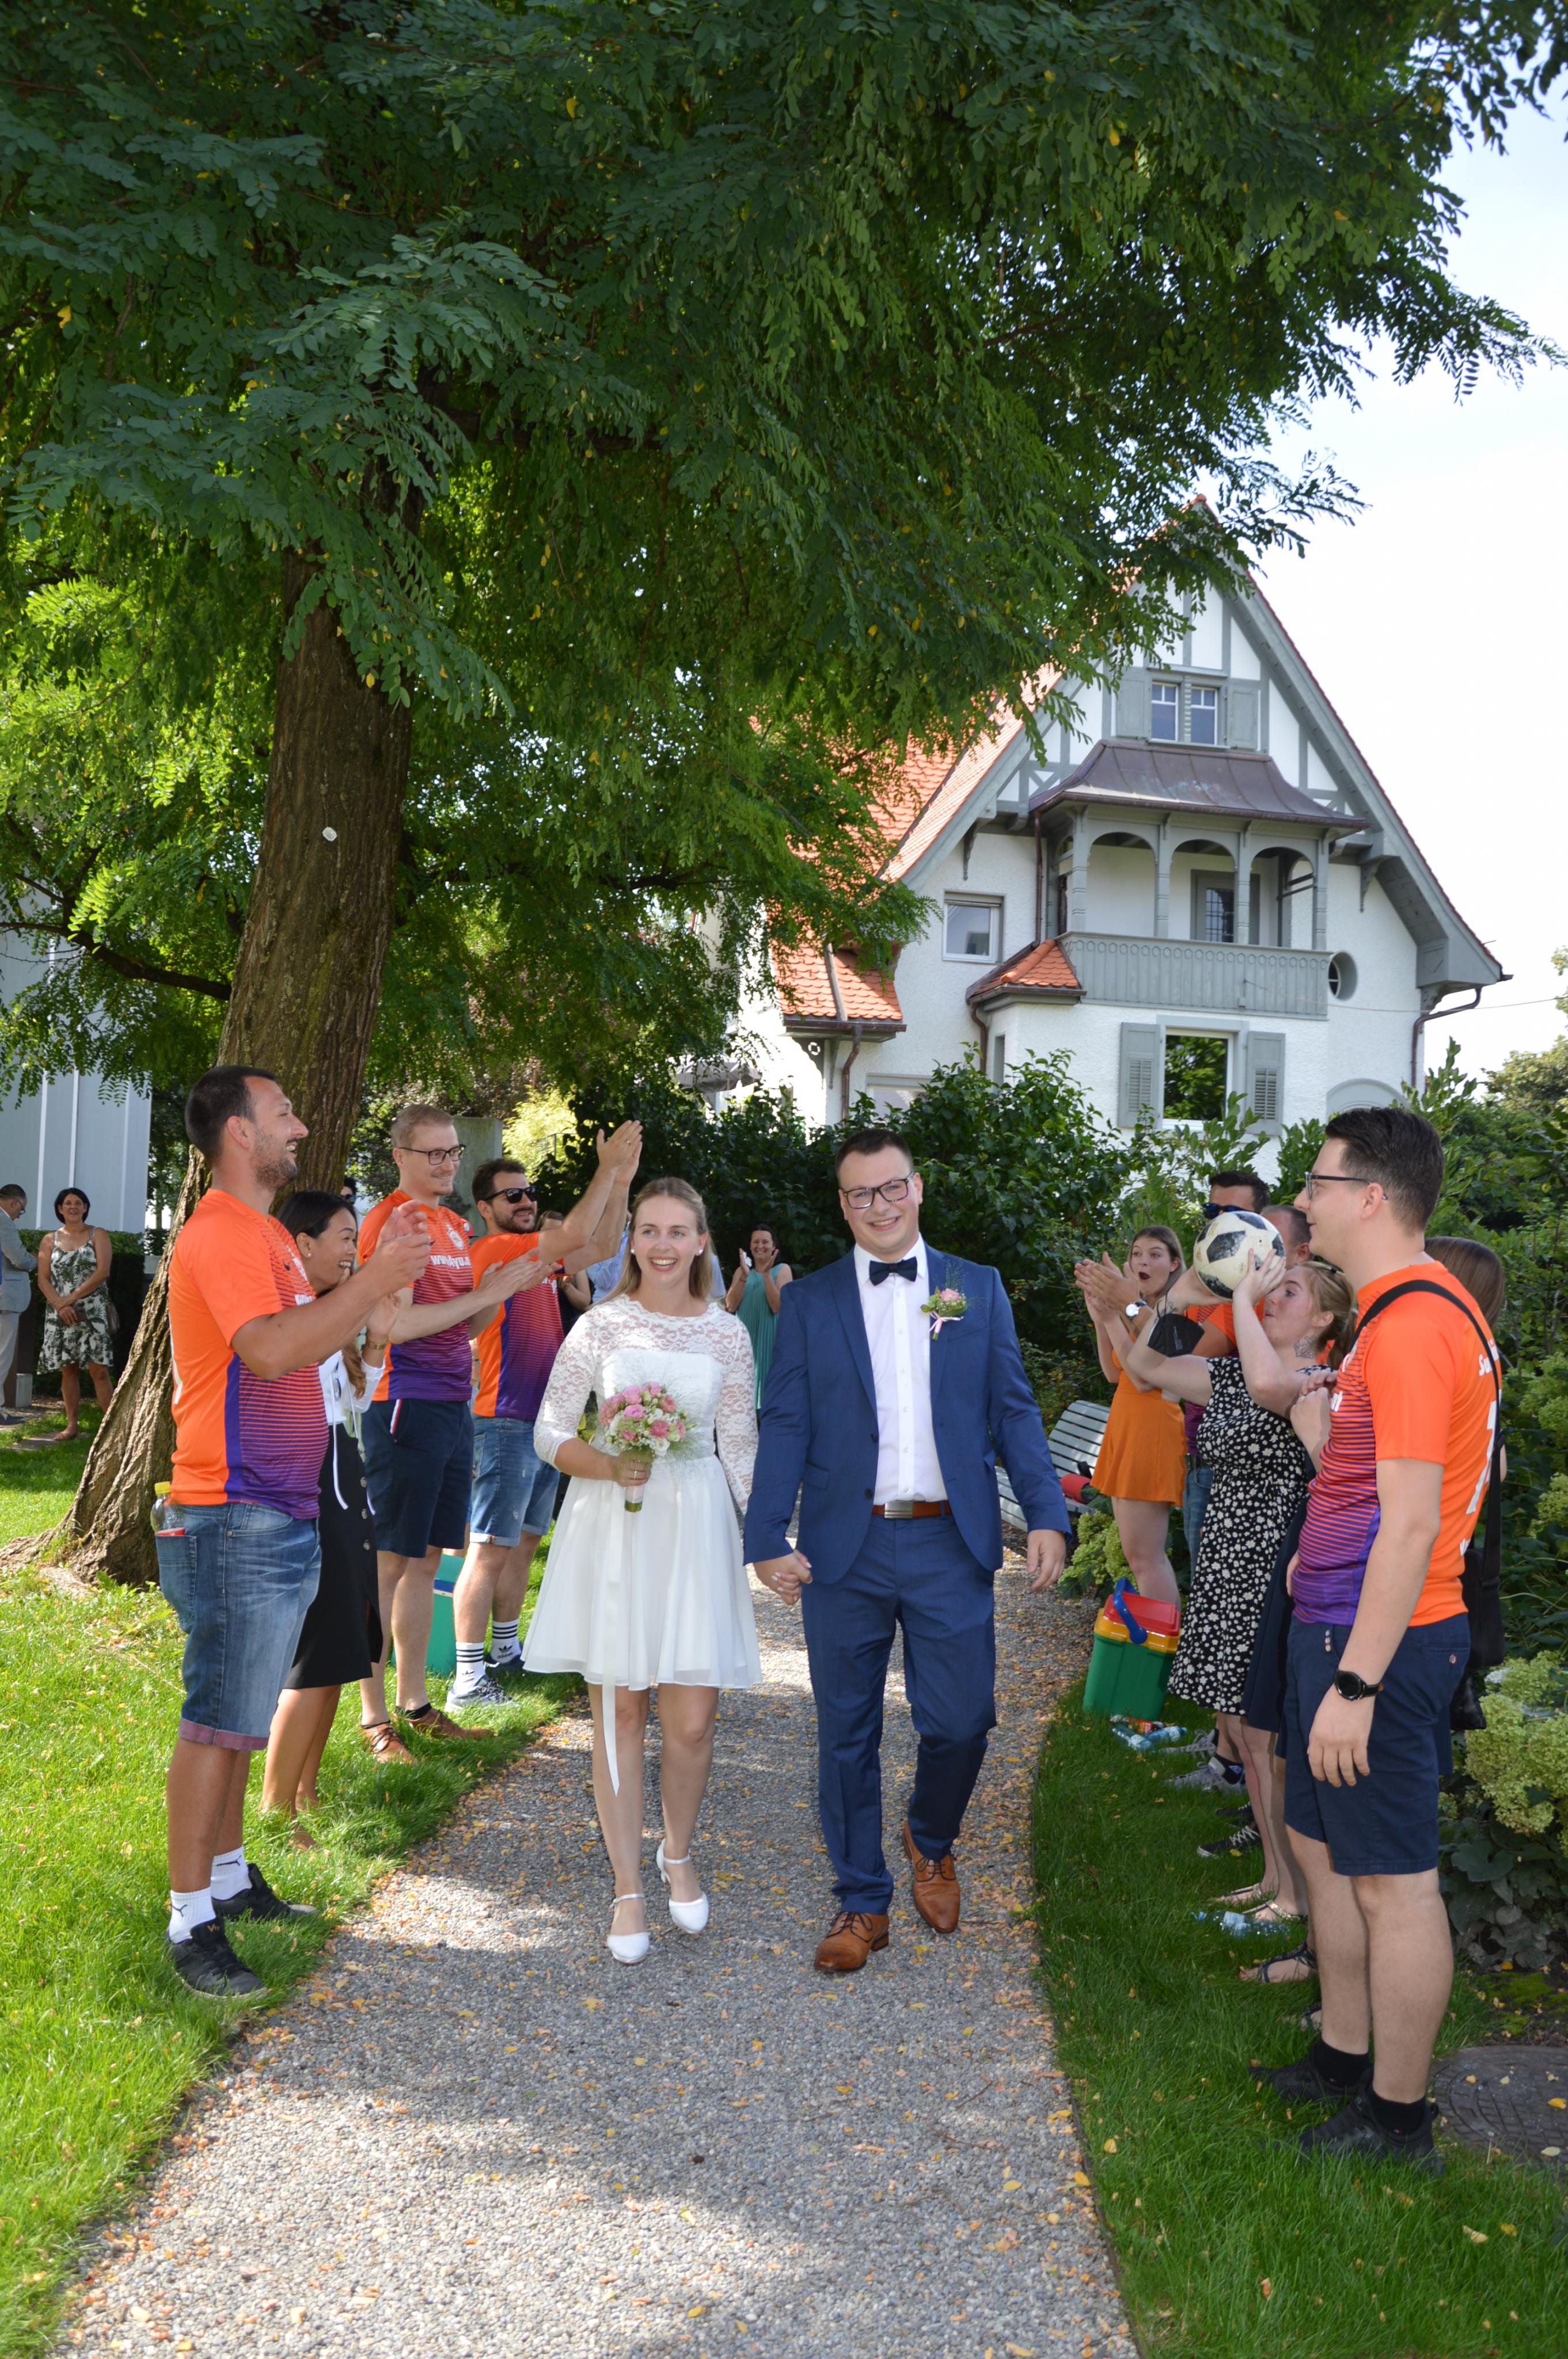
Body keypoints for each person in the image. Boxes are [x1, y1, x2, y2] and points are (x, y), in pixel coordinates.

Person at [745, 1128, 1069, 1973]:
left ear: (916, 1188)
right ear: (842, 1204)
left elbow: (1012, 1409)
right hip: (841, 1549)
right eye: (860, 1193)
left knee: (961, 1722)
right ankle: (861, 1900)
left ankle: (930, 1836)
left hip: (947, 1541)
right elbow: (785, 1421)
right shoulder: (810, 1301)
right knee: (843, 1731)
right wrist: (764, 1535)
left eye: (891, 1187)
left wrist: (1045, 1512)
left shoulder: (973, 1287)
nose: (878, 1205)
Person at [1256, 1106, 1498, 2172]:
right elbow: (1364, 1483)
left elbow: (1409, 1526)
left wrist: (1354, 1684)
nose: (1300, 1201)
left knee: (1392, 1883)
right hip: (1340, 1623)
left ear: (1366, 1196)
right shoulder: (1397, 1312)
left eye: (1314, 1183)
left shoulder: (1411, 1327)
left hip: (1378, 1647)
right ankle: (1341, 2054)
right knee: (1332, 1859)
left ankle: (1398, 2121)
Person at [158, 1066, 430, 1996]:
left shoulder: (270, 1235)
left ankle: (229, 1879)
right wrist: (377, 1278)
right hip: (231, 1508)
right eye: (283, 1114)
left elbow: (313, 1348)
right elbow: (270, 1350)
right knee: (216, 1723)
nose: (301, 1127)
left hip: (277, 1507)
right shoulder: (222, 1233)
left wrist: (372, 1312)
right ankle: (189, 1920)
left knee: (237, 1718)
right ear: (239, 1132)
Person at [527, 1177, 761, 1963]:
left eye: (677, 1231)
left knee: (691, 1721)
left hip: (694, 1526)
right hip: (615, 1525)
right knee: (620, 1712)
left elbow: (741, 1447)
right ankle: (627, 1886)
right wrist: (605, 1462)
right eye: (649, 1230)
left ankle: (678, 1852)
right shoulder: (600, 1324)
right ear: (633, 1240)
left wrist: (766, 1540)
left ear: (701, 1242)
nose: (662, 1245)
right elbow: (548, 1429)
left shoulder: (728, 1335)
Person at [1121, 1256, 1356, 1931]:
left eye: (1288, 1292)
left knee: (1263, 1736)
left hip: (1275, 1566)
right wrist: (1180, 1296)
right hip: (1227, 1562)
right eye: (1269, 1291)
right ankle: (1275, 1879)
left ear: (1323, 1318)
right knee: (1243, 1733)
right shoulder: (1229, 1375)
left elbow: (1266, 1385)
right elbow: (1144, 1367)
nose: (1269, 1299)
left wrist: (1243, 1301)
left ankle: (1293, 1895)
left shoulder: (1317, 1383)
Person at [354, 1105, 542, 1757]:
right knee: (388, 1563)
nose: (445, 1164)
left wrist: (497, 1289)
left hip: (452, 1403)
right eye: (431, 1153)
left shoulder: (455, 1225)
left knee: (427, 1560)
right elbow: (395, 1326)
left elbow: (464, 1326)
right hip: (403, 1402)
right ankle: (373, 1718)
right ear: (400, 1156)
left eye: (453, 1152)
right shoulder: (392, 1221)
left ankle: (415, 1704)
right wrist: (482, 1296)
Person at [447, 1136, 641, 1716]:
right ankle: (466, 1679)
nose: (526, 1201)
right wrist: (607, 1169)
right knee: (488, 1549)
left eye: (529, 1192)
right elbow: (581, 1233)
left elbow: (601, 1245)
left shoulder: (534, 1258)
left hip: (542, 1423)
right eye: (512, 1195)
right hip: (504, 1419)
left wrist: (622, 1181)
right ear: (486, 1208)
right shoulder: (496, 1250)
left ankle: (506, 1653)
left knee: (523, 1544)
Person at [261, 1193, 403, 1841]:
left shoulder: (330, 1310)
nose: (353, 1251)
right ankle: (276, 1812)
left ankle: (305, 1791)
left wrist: (376, 1337)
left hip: (347, 1483)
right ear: (303, 1243)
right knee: (317, 1657)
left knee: (344, 1650)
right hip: (314, 1487)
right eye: (345, 1237)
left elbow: (352, 1400)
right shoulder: (289, 1315)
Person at [1073, 1227, 1187, 1606]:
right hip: (1127, 1426)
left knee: (1146, 1558)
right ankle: (1158, 1637)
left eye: (1155, 1254)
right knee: (1137, 1556)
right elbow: (1113, 1373)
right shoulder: (1134, 1312)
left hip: (1151, 1430)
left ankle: (1163, 1640)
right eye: (1137, 1253)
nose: (1143, 1261)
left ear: (1174, 1264)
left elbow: (1143, 1379)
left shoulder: (1171, 1313)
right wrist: (1100, 1317)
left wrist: (1113, 1316)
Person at [32, 1186, 115, 1441]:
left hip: (92, 1312)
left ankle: (113, 1429)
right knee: (68, 1369)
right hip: (61, 1313)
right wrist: (61, 1305)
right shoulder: (49, 1240)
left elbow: (103, 1272)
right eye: (67, 1203)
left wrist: (71, 1298)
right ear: (60, 1209)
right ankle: (71, 1426)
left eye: (78, 1203)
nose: (73, 1207)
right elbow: (43, 1279)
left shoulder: (98, 1235)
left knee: (99, 1371)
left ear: (86, 1207)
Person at [725, 1223, 794, 1410]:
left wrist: (766, 1275)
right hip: (745, 1345)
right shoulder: (741, 1272)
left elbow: (777, 1306)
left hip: (770, 1344)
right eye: (756, 1242)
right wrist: (744, 1276)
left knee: (770, 1403)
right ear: (750, 1246)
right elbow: (730, 1306)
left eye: (765, 1242)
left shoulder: (782, 1270)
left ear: (774, 1247)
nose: (760, 1246)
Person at [0, 1182, 35, 1426]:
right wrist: (38, 1260)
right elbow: (20, 1259)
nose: (18, 1215)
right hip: (6, 1298)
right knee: (2, 1356)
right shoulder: (3, 1221)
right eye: (21, 1211)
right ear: (14, 1202)